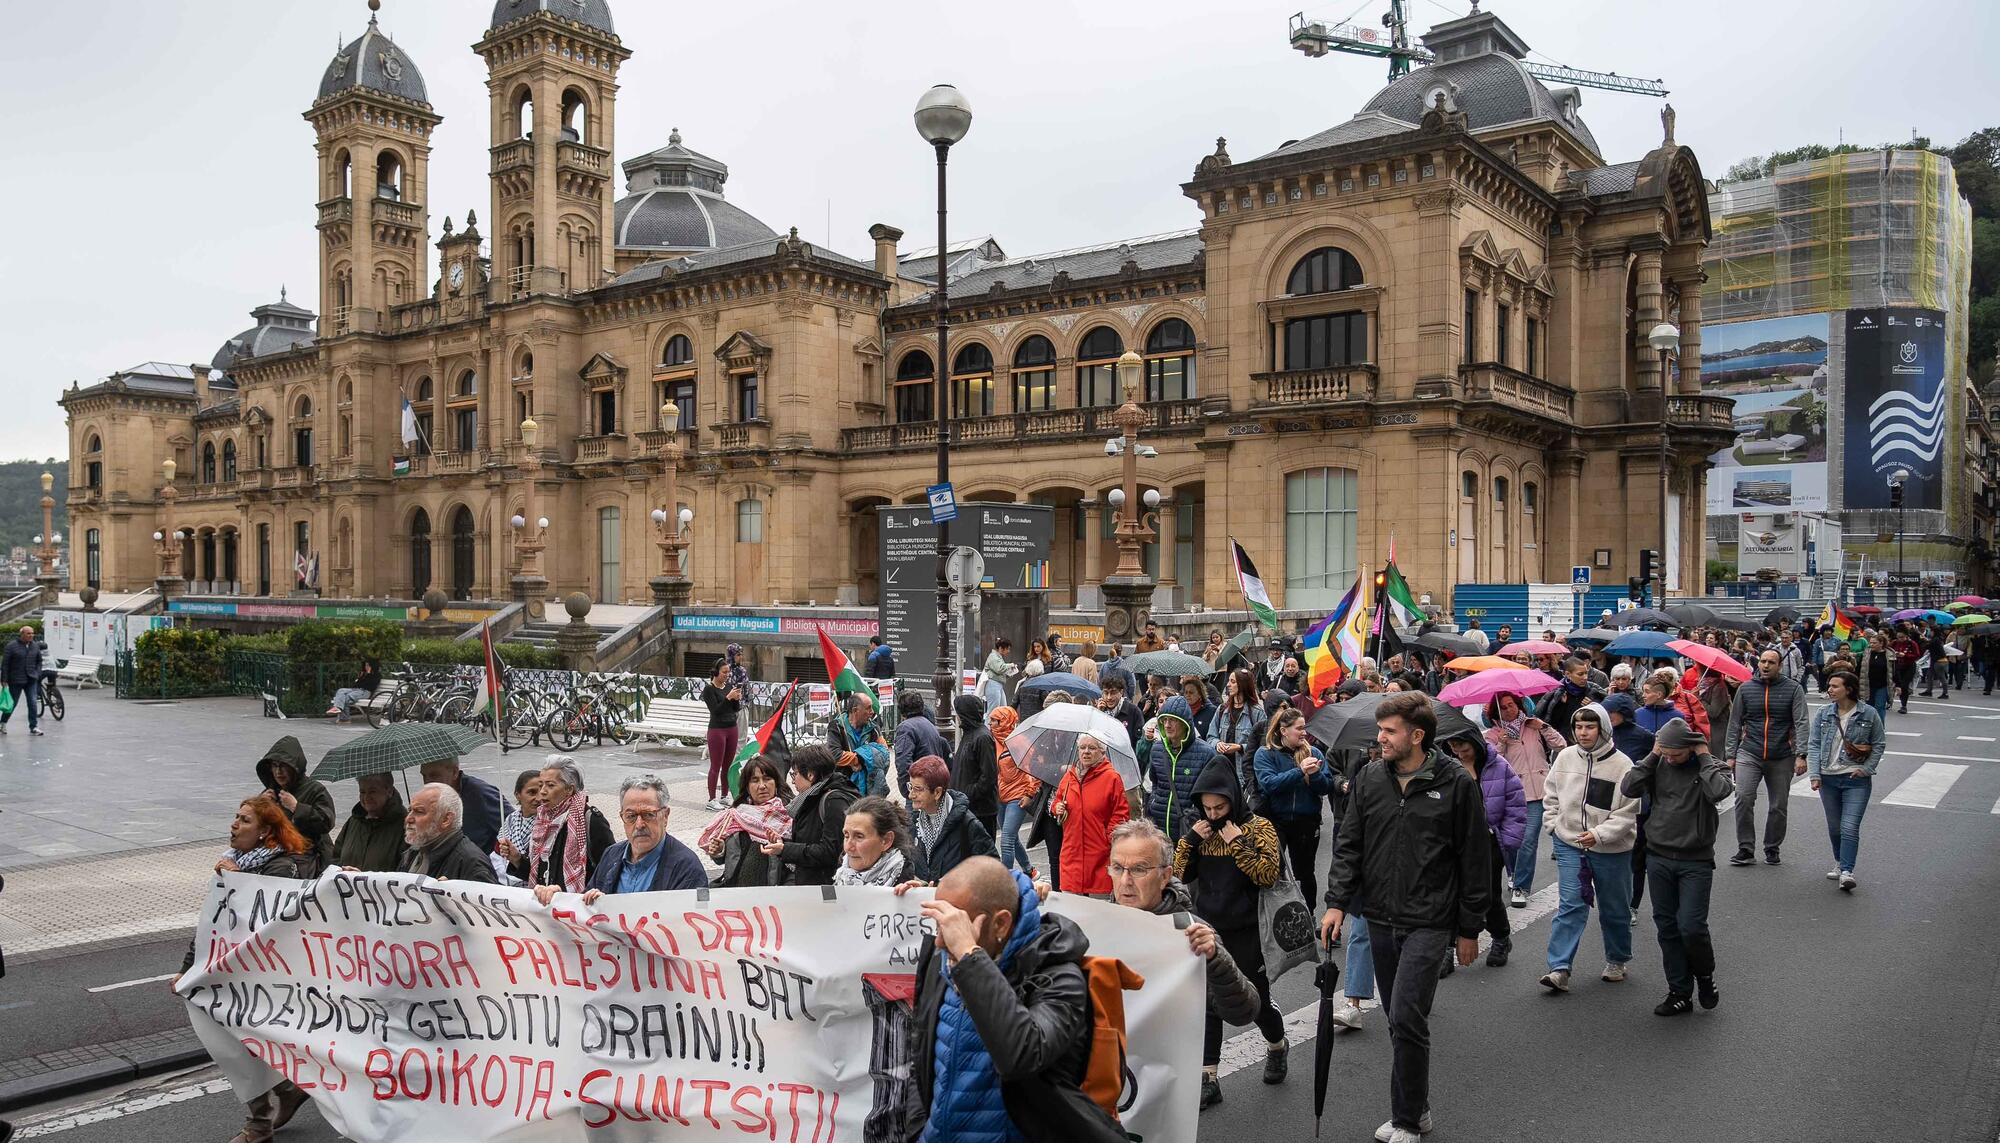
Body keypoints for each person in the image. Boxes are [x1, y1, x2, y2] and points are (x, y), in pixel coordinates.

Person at [1319, 691, 1489, 1143]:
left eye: (1389, 731)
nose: (1380, 738)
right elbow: (1348, 844)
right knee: (1398, 1019)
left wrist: (1469, 928)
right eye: (1380, 729)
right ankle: (1419, 1107)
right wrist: (1336, 902)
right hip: (1379, 916)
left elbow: (1475, 858)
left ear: (1417, 735)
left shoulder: (1456, 783)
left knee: (1408, 1015)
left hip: (1431, 920)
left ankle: (1408, 1120)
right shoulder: (1370, 778)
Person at [900, 858, 1119, 1142]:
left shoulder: (1057, 976)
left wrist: (970, 955)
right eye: (940, 924)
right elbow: (923, 1052)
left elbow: (1022, 1055)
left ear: (1001, 923)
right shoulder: (943, 961)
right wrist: (919, 1130)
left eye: (957, 925)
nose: (941, 941)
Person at [176, 796, 318, 1143]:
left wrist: (240, 884)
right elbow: (213, 925)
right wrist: (187, 968)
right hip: (230, 974)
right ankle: (286, 1089)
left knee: (242, 1043)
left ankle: (259, 1122)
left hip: (264, 977)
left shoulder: (283, 868)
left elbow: (264, 924)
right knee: (239, 1042)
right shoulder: (232, 864)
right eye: (235, 817)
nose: (234, 825)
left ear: (266, 831)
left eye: (244, 820)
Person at [1105, 819, 1261, 1109]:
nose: (1125, 881)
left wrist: (1216, 960)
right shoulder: (1096, 926)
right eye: (1117, 867)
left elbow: (1244, 1011)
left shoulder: (1190, 935)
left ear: (1165, 876)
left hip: (1163, 1097)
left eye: (1139, 869)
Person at [1174, 759, 1290, 1092]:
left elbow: (1268, 875)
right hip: (1209, 928)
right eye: (1206, 807)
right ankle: (1209, 1075)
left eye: (1219, 806)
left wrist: (1238, 842)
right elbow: (1177, 878)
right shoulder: (1201, 830)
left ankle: (1277, 1045)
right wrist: (1191, 842)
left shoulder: (1259, 827)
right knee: (1209, 1001)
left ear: (1233, 799)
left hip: (1249, 930)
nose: (1213, 814)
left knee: (1255, 1001)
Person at [1620, 718, 1731, 1015]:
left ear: (1692, 748)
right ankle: (1679, 991)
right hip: (1658, 856)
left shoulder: (1711, 766)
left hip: (1696, 860)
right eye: (1666, 753)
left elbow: (1719, 792)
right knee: (1667, 927)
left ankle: (1705, 977)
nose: (1671, 759)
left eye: (1676, 754)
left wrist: (1704, 755)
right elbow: (1628, 787)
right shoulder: (1658, 763)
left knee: (1691, 926)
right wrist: (1654, 755)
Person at [1537, 703, 1641, 992]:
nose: (1583, 733)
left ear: (1603, 728)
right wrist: (1553, 824)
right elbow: (1551, 794)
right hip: (1570, 843)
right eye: (1579, 727)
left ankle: (1617, 959)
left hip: (1612, 848)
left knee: (1614, 908)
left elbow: (1628, 812)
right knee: (1571, 903)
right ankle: (1559, 968)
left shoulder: (1623, 765)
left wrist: (1599, 834)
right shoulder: (1565, 757)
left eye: (1590, 727)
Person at [1442, 728, 1525, 970]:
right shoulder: (1447, 768)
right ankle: (1447, 948)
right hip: (1455, 841)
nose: (1459, 753)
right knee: (1451, 894)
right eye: (1454, 748)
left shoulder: (1498, 765)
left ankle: (1501, 937)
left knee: (1487, 895)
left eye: (1464, 748)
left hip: (1488, 842)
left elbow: (1516, 803)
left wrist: (1508, 839)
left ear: (1476, 744)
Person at [1723, 647, 1808, 867]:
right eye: (1763, 661)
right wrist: (1730, 755)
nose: (1766, 665)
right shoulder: (1746, 688)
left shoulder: (1793, 689)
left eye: (1771, 662)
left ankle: (1772, 847)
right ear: (1758, 663)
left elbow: (1801, 722)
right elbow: (1734, 723)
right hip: (1749, 751)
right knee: (1743, 798)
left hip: (1781, 755)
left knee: (1778, 805)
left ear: (1780, 666)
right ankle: (1745, 848)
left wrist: (1801, 754)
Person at [1484, 692, 1565, 908]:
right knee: (1510, 843)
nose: (1510, 710)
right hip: (1511, 794)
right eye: (1504, 707)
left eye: (1512, 705)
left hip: (1539, 791)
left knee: (1528, 840)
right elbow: (1490, 763)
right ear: (1496, 711)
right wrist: (1501, 743)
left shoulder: (1532, 726)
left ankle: (1521, 886)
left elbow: (1561, 745)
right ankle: (1513, 873)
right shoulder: (1492, 734)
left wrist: (1544, 727)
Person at [1807, 669, 1885, 892]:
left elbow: (1879, 743)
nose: (1829, 690)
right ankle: (1840, 862)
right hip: (1828, 779)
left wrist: (1867, 769)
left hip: (1855, 780)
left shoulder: (1868, 713)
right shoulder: (1824, 713)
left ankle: (1847, 872)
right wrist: (1815, 774)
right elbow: (1814, 745)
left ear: (1848, 689)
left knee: (1849, 826)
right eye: (1829, 686)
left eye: (1834, 686)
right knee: (1835, 827)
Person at [1253, 706, 1334, 911]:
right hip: (1275, 821)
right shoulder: (1265, 754)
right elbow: (1269, 784)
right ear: (1284, 731)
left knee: (1305, 872)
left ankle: (1309, 914)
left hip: (1306, 822)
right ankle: (1277, 916)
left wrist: (1315, 774)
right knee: (1275, 872)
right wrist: (1300, 771)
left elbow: (1325, 787)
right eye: (1299, 728)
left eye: (1304, 727)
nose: (1304, 732)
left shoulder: (1313, 752)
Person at [763, 746, 857, 886]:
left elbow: (830, 852)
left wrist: (785, 849)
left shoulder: (833, 801)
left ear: (811, 775)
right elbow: (808, 838)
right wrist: (783, 843)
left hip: (827, 889)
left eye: (795, 774)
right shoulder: (811, 798)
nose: (793, 780)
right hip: (812, 883)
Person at [1051, 732, 1130, 897]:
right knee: (1073, 913)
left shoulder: (1111, 778)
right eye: (1082, 748)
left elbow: (1120, 815)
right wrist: (1056, 807)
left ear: (1102, 752)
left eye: (1092, 748)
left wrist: (1107, 839)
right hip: (1071, 854)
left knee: (1099, 913)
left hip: (1100, 857)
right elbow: (1057, 800)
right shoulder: (1069, 777)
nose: (1086, 752)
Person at [700, 755, 791, 888]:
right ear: (747, 787)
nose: (762, 786)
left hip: (772, 895)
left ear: (776, 782)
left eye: (767, 779)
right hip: (735, 893)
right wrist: (719, 851)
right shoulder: (735, 816)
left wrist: (783, 850)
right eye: (755, 780)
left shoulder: (788, 817)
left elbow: (796, 863)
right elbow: (723, 859)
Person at [527, 756, 613, 893]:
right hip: (546, 907)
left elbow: (610, 871)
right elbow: (537, 870)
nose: (542, 791)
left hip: (579, 907)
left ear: (569, 789)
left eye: (550, 785)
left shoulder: (589, 821)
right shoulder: (542, 821)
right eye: (540, 785)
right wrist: (516, 859)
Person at [906, 754, 998, 881]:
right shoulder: (913, 823)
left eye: (918, 789)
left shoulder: (968, 825)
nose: (911, 795)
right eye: (910, 787)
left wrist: (954, 882)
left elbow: (993, 869)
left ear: (937, 792)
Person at [1143, 694, 1220, 840]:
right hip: (1159, 828)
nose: (1167, 725)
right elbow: (1155, 782)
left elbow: (1212, 791)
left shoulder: (1206, 752)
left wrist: (1196, 815)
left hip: (1189, 830)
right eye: (1164, 720)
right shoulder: (1157, 749)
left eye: (1172, 720)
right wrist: (1154, 803)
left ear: (1185, 723)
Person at [255, 736, 337, 871]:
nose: (278, 772)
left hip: (311, 860)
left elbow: (326, 822)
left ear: (295, 767)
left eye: (283, 766)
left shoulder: (315, 789)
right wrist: (259, 806)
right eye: (274, 766)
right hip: (276, 856)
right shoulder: (271, 792)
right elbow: (252, 824)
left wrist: (297, 807)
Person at [400, 783, 500, 883]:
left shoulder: (472, 863)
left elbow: (490, 896)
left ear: (446, 819)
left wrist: (452, 894)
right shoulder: (413, 854)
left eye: (419, 811)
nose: (408, 818)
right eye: (410, 810)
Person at [418, 755, 506, 855]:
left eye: (434, 775)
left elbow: (512, 825)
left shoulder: (480, 793)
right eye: (424, 776)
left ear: (454, 772)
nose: (427, 782)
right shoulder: (432, 797)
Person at [989, 706, 1037, 875]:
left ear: (1004, 721)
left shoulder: (1018, 742)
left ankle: (1005, 879)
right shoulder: (991, 740)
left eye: (995, 720)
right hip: (1001, 796)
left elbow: (1035, 769)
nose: (991, 724)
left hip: (1018, 796)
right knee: (1012, 838)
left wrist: (1029, 794)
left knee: (1007, 839)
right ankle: (1029, 870)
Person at [1209, 668, 1267, 801]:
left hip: (1245, 776)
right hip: (1223, 774)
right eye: (1229, 681)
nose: (1228, 685)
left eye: (1232, 681)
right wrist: (1217, 744)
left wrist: (1241, 747)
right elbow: (1210, 736)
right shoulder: (1222, 710)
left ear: (1243, 684)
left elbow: (1264, 745)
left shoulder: (1257, 712)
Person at [330, 772, 406, 873]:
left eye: (372, 791)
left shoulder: (404, 826)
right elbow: (335, 857)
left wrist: (363, 877)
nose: (366, 797)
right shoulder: (353, 822)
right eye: (362, 792)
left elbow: (404, 872)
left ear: (389, 791)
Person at [836, 796, 914, 886]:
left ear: (886, 840)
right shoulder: (841, 874)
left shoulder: (908, 890)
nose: (848, 847)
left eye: (859, 836)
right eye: (846, 836)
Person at [952, 694, 1000, 838]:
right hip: (969, 806)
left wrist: (968, 792)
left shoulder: (982, 737)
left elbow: (989, 776)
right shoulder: (970, 734)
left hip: (980, 810)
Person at [700, 661, 744, 810]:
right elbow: (716, 711)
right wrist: (728, 698)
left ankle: (725, 796)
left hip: (732, 728)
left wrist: (736, 698)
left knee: (728, 765)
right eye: (724, 672)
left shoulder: (729, 687)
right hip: (717, 730)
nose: (727, 675)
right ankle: (712, 799)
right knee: (716, 766)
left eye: (728, 672)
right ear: (716, 672)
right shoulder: (709, 690)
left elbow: (735, 709)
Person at [894, 692, 950, 799]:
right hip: (931, 785)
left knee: (915, 814)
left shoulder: (906, 728)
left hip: (919, 788)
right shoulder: (929, 725)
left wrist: (908, 789)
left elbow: (903, 761)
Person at [1538, 657, 1605, 743]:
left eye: (1586, 673)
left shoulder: (1594, 690)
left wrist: (1594, 706)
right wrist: (1561, 705)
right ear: (1568, 674)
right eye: (1580, 674)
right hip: (1564, 742)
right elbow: (1550, 722)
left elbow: (1604, 717)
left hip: (1589, 741)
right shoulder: (1557, 693)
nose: (1585, 677)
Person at [494, 768, 543, 884]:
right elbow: (498, 855)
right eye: (532, 792)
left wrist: (517, 859)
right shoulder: (511, 820)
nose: (538, 798)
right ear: (518, 795)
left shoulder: (548, 824)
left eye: (542, 792)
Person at [0, 626, 42, 735]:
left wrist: (37, 673)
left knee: (33, 702)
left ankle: (33, 727)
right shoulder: (11, 646)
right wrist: (4, 680)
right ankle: (3, 723)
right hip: (16, 680)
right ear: (22, 634)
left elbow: (39, 661)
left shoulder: (35, 646)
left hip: (31, 679)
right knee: (12, 704)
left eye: (32, 633)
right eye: (28, 633)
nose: (31, 635)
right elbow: (5, 664)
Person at [1095, 676, 1145, 753]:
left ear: (1121, 692)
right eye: (1106, 693)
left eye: (1113, 693)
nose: (1109, 697)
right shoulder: (1099, 711)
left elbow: (1139, 741)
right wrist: (1099, 714)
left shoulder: (1133, 711)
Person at [325, 657, 381, 722]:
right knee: (341, 691)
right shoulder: (364, 674)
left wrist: (368, 674)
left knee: (346, 697)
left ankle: (345, 718)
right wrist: (361, 677)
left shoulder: (377, 675)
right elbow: (356, 685)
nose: (366, 667)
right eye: (365, 665)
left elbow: (370, 687)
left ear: (372, 666)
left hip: (365, 692)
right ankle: (337, 708)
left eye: (368, 665)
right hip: (356, 690)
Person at [979, 638, 1018, 708]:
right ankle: (989, 720)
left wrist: (1008, 674)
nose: (1008, 651)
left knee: (1002, 709)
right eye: (1007, 649)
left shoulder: (997, 657)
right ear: (1001, 648)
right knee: (993, 709)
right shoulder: (993, 656)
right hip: (992, 684)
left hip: (998, 685)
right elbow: (999, 668)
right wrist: (1010, 665)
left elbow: (999, 670)